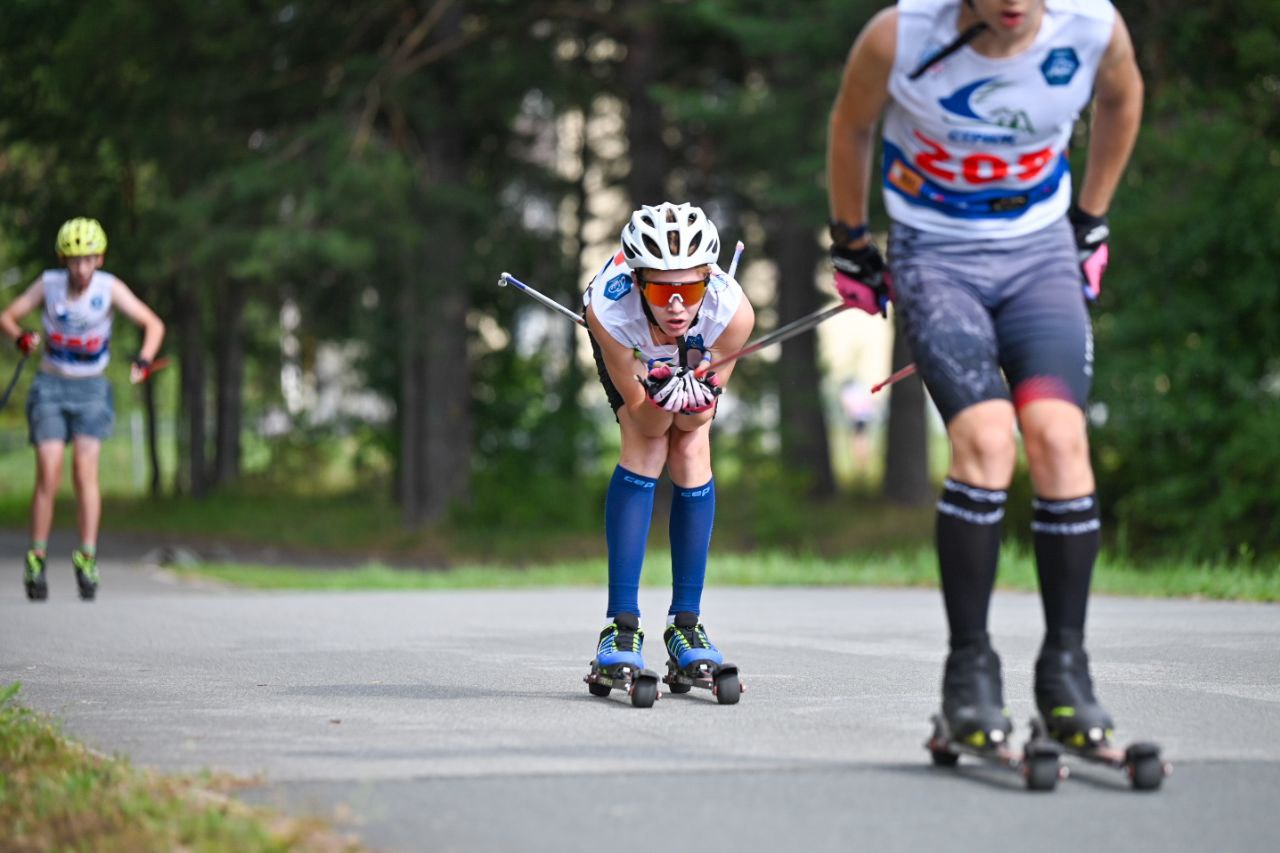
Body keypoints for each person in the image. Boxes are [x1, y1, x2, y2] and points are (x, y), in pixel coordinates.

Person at [826, 0, 1143, 747]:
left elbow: (1122, 97)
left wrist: (1091, 215)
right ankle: (969, 673)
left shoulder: (1092, 28)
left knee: (1062, 439)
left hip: (1040, 258)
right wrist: (850, 240)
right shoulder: (899, 35)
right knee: (987, 440)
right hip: (937, 257)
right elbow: (851, 125)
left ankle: (1066, 672)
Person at [582, 202, 754, 697]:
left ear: (708, 280)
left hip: (698, 351)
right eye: (661, 289)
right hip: (634, 353)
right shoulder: (609, 310)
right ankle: (621, 625)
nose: (676, 304)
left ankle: (686, 624)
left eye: (690, 288)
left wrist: (694, 394)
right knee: (648, 449)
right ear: (639, 283)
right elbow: (646, 419)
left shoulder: (732, 313)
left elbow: (697, 418)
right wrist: (657, 393)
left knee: (691, 450)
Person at [0, 217, 166, 601]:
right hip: (50, 387)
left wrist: (143, 360)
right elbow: (8, 316)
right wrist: (21, 338)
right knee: (49, 471)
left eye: (88, 260)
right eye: (74, 261)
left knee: (85, 472)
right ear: (64, 260)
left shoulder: (110, 289)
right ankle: (37, 557)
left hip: (92, 389)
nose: (81, 269)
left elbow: (152, 324)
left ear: (100, 260)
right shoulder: (48, 284)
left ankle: (87, 557)